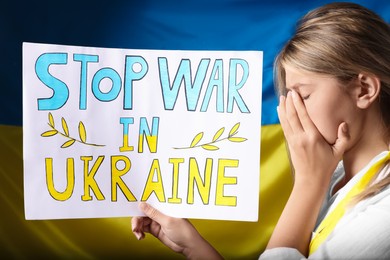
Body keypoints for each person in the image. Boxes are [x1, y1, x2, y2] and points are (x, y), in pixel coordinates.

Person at [131, 2, 390, 259]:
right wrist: (192, 246)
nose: (289, 111)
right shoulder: (336, 176)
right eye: (289, 97)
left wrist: (307, 183)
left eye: (304, 95)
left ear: (363, 90)